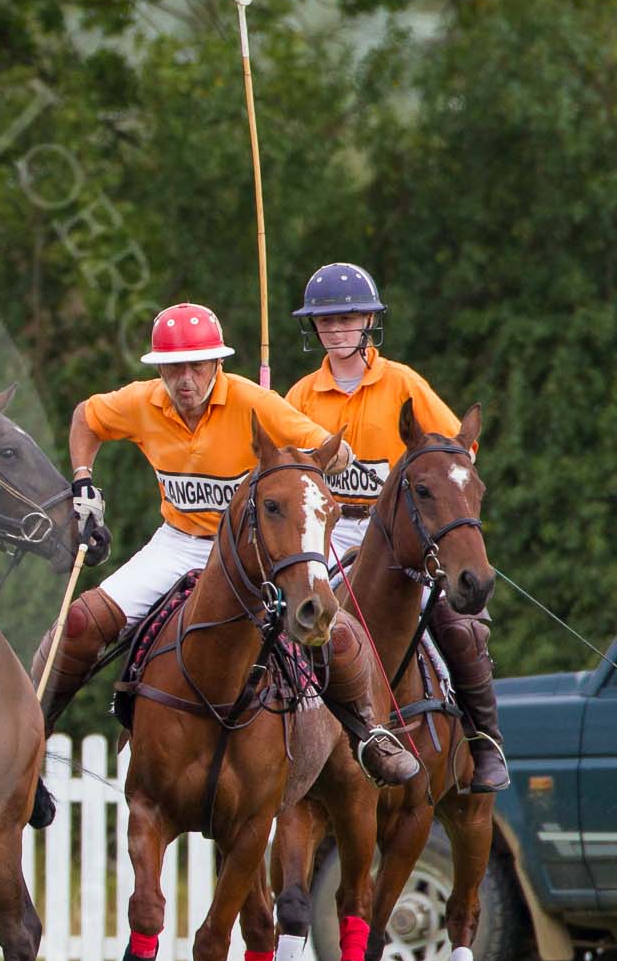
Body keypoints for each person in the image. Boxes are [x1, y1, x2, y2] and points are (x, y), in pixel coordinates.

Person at [32, 301, 421, 787]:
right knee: (80, 622)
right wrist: (83, 481)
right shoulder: (141, 402)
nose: (185, 380)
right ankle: (33, 731)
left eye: (197, 366)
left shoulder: (254, 403)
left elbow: (322, 448)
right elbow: (85, 419)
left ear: (218, 364)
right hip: (178, 543)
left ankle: (369, 733)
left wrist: (335, 454)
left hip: (250, 554)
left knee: (328, 627)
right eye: (173, 369)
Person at [284, 261, 506, 793]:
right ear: (314, 328)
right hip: (330, 531)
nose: (337, 330)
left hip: (400, 531)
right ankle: (274, 737)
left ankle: (483, 738)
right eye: (326, 321)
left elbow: (457, 448)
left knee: (460, 624)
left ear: (369, 322)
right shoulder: (300, 396)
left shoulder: (402, 382)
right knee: (280, 618)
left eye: (349, 318)